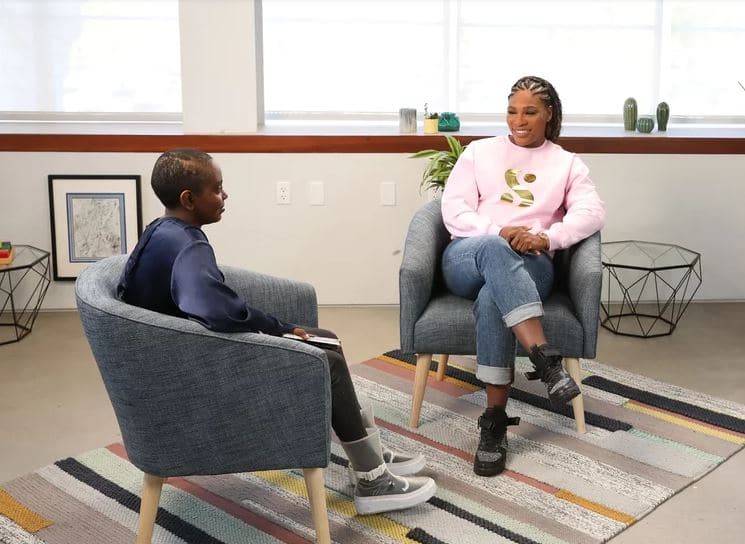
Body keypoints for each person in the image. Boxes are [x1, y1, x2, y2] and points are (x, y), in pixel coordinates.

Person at [117, 148, 436, 515]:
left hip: (174, 357)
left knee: (325, 339)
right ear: (189, 199)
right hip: (196, 372)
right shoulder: (189, 245)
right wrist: (280, 329)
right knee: (327, 361)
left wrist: (282, 329)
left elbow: (138, 292)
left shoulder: (159, 231)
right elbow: (216, 310)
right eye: (217, 189)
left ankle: (368, 455)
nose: (225, 195)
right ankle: (373, 481)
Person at [440, 76, 606, 477]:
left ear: (548, 114)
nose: (519, 120)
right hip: (469, 255)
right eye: (513, 111)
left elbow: (592, 212)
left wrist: (547, 237)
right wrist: (498, 232)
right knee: (495, 249)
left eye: (530, 112)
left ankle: (494, 423)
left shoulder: (566, 163)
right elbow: (453, 209)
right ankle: (546, 359)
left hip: (531, 262)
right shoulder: (479, 152)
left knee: (493, 298)